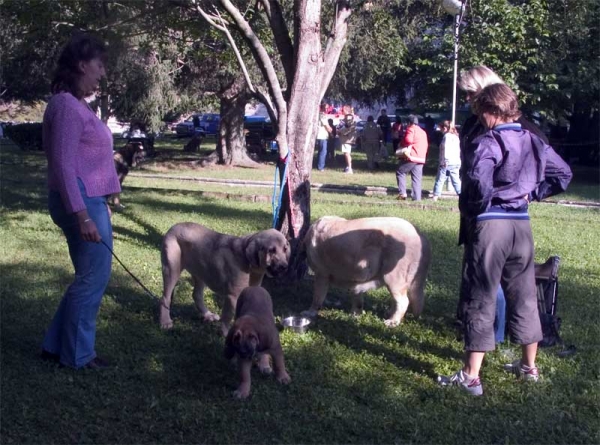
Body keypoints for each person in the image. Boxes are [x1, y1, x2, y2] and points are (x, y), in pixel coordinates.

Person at [438, 83, 572, 395]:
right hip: (521, 227)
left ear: (493, 111)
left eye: (481, 112)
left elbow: (479, 185)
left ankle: (471, 377)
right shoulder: (533, 140)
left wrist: (474, 212)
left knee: (480, 297)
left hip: (491, 226)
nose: (480, 119)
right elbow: (563, 174)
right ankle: (529, 367)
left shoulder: (489, 141)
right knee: (524, 295)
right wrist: (533, 194)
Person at [40, 33, 121, 370]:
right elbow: (62, 164)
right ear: (82, 64)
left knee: (88, 276)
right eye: (99, 65)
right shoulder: (66, 107)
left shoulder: (76, 105)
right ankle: (77, 356)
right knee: (92, 279)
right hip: (81, 202)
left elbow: (86, 157)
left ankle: (54, 345)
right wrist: (82, 215)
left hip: (89, 199)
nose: (102, 72)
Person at [456, 66, 553, 340]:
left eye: (470, 93)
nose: (467, 100)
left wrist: (530, 192)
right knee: (492, 282)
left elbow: (552, 165)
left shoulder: (514, 129)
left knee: (489, 285)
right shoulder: (476, 123)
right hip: (495, 216)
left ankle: (482, 350)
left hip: (492, 217)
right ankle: (519, 358)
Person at [396, 115, 428, 200]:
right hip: (421, 158)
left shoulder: (411, 129)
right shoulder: (423, 131)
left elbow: (408, 140)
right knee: (417, 179)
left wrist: (401, 143)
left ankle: (402, 194)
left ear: (409, 123)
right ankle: (417, 198)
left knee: (400, 172)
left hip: (412, 156)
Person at [431, 120, 461, 201]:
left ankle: (435, 196)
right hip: (456, 162)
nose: (440, 130)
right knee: (456, 180)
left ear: (444, 128)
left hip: (447, 162)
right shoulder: (456, 136)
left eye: (441, 128)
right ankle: (461, 195)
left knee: (440, 179)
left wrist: (445, 161)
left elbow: (446, 150)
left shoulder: (446, 137)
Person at [316, 103, 331, 171]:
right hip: (322, 136)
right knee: (323, 152)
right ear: (322, 108)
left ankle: (319, 165)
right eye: (325, 108)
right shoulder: (322, 115)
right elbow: (327, 126)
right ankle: (321, 167)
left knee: (320, 151)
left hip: (321, 135)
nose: (326, 109)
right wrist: (331, 131)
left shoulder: (319, 114)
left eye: (327, 108)